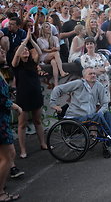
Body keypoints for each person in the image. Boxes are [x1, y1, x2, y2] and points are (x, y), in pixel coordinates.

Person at [50, 67, 111, 152]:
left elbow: (105, 103)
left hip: (89, 116)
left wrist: (101, 112)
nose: (93, 75)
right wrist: (53, 104)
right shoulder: (79, 83)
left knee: (106, 113)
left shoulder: (98, 86)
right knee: (97, 117)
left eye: (94, 73)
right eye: (90, 74)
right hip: (75, 117)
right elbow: (58, 89)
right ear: (84, 77)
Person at [11, 30, 47, 158]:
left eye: (27, 49)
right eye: (23, 50)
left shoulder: (33, 63)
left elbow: (39, 51)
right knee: (22, 124)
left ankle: (43, 143)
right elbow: (16, 55)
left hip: (35, 94)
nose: (25, 51)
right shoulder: (16, 65)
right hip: (23, 97)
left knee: (38, 121)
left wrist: (31, 40)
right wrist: (25, 41)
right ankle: (23, 149)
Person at [0, 49, 23, 201]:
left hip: (3, 120)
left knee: (8, 156)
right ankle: (0, 192)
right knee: (8, 157)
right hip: (1, 122)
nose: (3, 52)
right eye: (0, 51)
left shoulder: (2, 72)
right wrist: (14, 106)